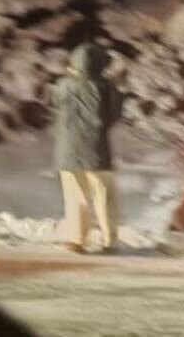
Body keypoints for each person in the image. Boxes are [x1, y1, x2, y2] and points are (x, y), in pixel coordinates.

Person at [52, 43, 121, 253]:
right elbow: (114, 114)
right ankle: (109, 240)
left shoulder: (62, 85)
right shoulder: (107, 87)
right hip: (97, 149)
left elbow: (55, 104)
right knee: (103, 195)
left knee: (75, 197)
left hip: (68, 149)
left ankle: (76, 239)